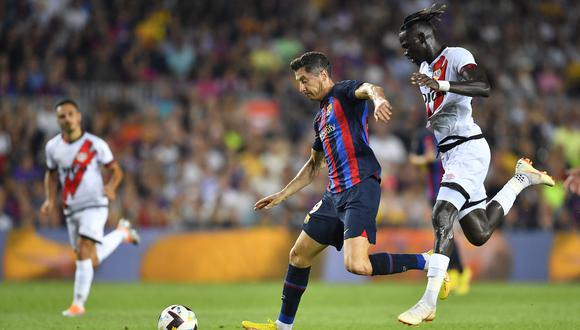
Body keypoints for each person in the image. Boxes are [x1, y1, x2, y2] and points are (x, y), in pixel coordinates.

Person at [242, 51, 438, 330]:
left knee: (358, 266)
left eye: (304, 80)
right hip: (333, 196)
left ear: (322, 75)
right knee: (298, 255)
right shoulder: (320, 119)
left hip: (360, 188)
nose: (301, 88)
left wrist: (379, 99)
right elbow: (312, 167)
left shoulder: (344, 92)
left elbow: (371, 88)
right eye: (298, 82)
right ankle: (283, 326)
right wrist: (282, 195)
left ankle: (427, 261)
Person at [397, 4, 555, 325]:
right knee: (479, 233)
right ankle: (520, 181)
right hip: (451, 154)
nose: (404, 49)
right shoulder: (425, 71)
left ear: (422, 37)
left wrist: (442, 86)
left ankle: (428, 302)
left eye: (407, 43)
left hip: (469, 150)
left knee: (442, 213)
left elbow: (482, 86)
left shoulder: (456, 56)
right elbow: (440, 114)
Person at [40, 99, 140, 317]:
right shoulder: (52, 147)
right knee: (90, 259)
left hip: (95, 204)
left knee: (85, 250)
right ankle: (122, 233)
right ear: (58, 120)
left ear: (78, 116)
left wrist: (112, 186)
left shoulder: (95, 144)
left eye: (70, 114)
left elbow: (116, 170)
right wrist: (49, 199)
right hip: (71, 208)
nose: (66, 118)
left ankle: (78, 305)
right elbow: (51, 174)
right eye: (62, 116)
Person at [409, 128, 471, 295]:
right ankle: (457, 272)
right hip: (434, 193)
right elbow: (413, 158)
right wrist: (425, 159)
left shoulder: (455, 131)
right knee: (443, 232)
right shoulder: (425, 135)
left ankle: (457, 272)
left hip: (454, 191)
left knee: (445, 231)